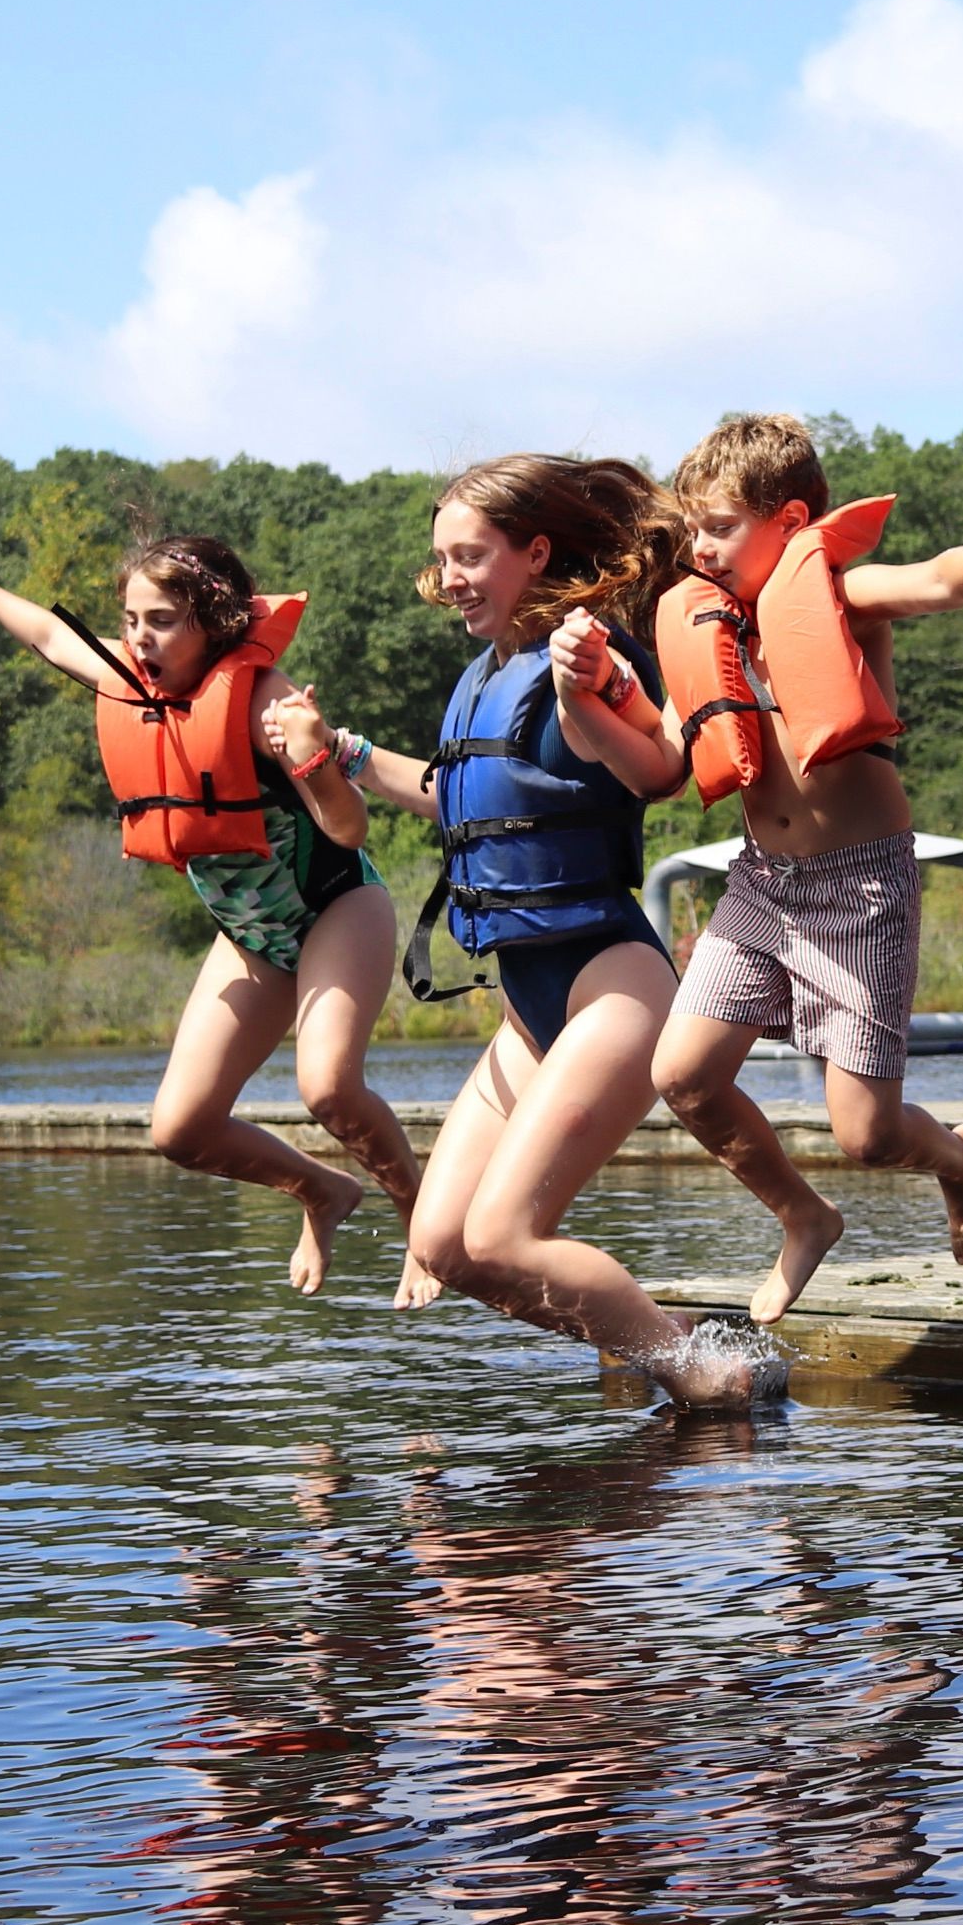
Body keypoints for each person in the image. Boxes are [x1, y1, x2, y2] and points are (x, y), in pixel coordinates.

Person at [259, 454, 765, 1405]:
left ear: (535, 553)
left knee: (498, 1237)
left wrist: (591, 684)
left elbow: (659, 765)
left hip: (610, 984)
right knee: (443, 1244)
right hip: (528, 1004)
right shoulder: (479, 680)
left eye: (469, 556)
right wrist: (345, 755)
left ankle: (708, 1375)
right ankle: (681, 1347)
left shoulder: (584, 655)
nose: (450, 578)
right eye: (441, 560)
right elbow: (460, 796)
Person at [635, 413, 963, 1322]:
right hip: (760, 885)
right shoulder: (705, 634)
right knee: (683, 1075)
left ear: (786, 521)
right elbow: (664, 761)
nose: (697, 547)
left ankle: (960, 1159)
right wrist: (588, 694)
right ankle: (801, 1217)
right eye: (692, 528)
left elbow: (936, 578)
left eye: (719, 526)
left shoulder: (840, 595)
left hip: (859, 889)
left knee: (866, 1134)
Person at [0, 532, 420, 1298]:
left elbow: (348, 830)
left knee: (329, 1087)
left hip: (336, 906)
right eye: (131, 618)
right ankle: (320, 1190)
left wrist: (310, 757)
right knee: (181, 1130)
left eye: (163, 619)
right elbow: (46, 632)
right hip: (251, 935)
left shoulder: (263, 701)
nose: (140, 636)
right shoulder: (129, 681)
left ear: (215, 621)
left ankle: (420, 1217)